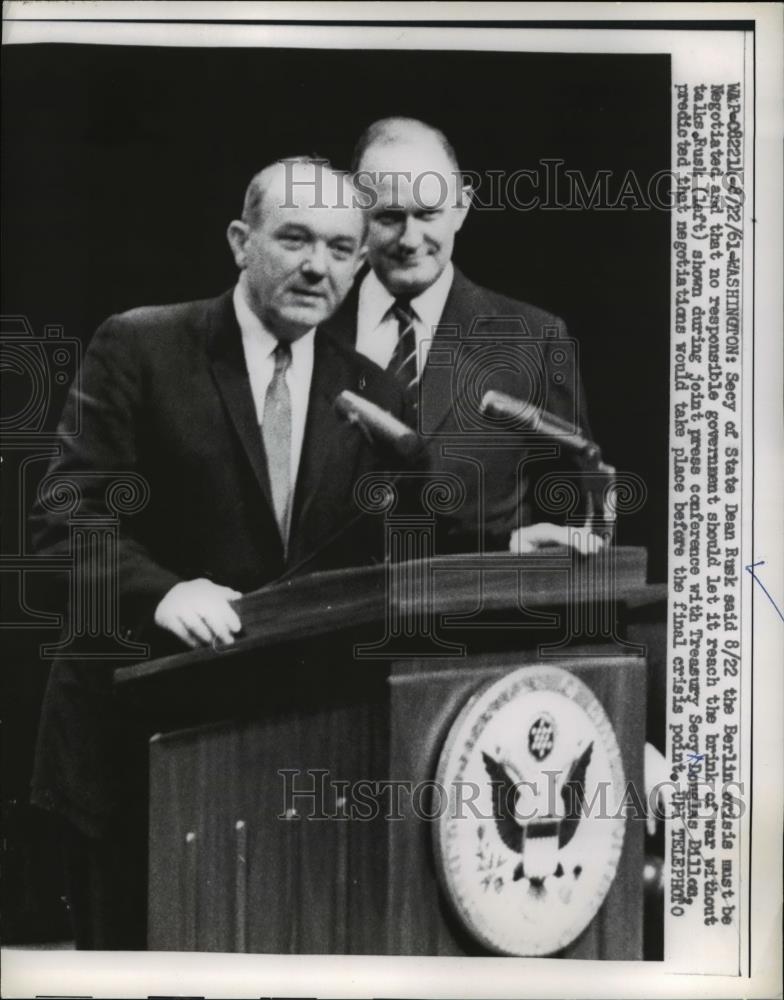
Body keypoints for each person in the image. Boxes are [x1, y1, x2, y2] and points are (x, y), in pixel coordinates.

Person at [29, 158, 405, 948]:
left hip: (288, 763)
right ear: (241, 241)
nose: (317, 265)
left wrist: (511, 545)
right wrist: (163, 594)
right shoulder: (141, 344)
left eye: (342, 248)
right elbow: (65, 517)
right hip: (136, 752)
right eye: (294, 238)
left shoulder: (370, 391)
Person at [323, 117, 604, 556]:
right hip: (333, 615)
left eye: (428, 213)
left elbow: (574, 507)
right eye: (389, 217)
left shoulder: (536, 338)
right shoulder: (309, 329)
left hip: (481, 618)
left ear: (461, 207)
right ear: (355, 217)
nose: (409, 239)